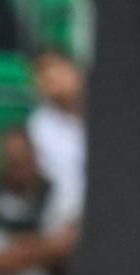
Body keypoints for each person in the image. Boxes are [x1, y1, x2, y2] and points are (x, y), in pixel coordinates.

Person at [0, 125, 73, 275]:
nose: (17, 166)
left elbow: (64, 247)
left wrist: (15, 245)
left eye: (22, 159)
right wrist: (43, 245)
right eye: (11, 161)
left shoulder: (57, 194)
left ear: (34, 155)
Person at [26, 48, 84, 249]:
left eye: (56, 67)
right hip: (60, 226)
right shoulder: (37, 127)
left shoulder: (111, 114)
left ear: (77, 71)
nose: (50, 76)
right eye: (40, 71)